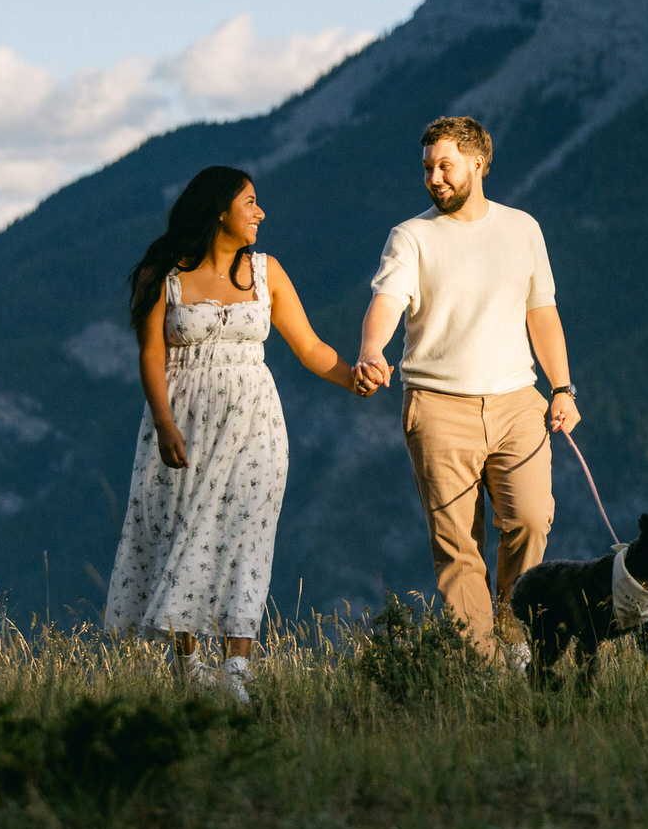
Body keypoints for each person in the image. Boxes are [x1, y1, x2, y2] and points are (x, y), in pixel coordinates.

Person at [107, 166, 375, 704]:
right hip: (183, 420)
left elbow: (310, 347)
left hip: (256, 423)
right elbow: (151, 353)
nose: (260, 212)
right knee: (182, 533)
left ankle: (236, 669)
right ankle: (191, 663)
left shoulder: (266, 270)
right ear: (219, 210)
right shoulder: (163, 273)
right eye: (250, 202)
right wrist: (163, 422)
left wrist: (354, 377)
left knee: (247, 536)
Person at [357, 116, 579, 663]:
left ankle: (514, 633)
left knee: (530, 517)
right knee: (458, 547)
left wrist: (562, 388)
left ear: (478, 164)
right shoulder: (411, 236)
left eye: (445, 166)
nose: (434, 177)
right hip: (437, 408)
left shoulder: (522, 229)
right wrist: (370, 351)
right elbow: (387, 302)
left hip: (516, 403)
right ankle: (483, 665)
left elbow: (542, 313)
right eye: (428, 167)